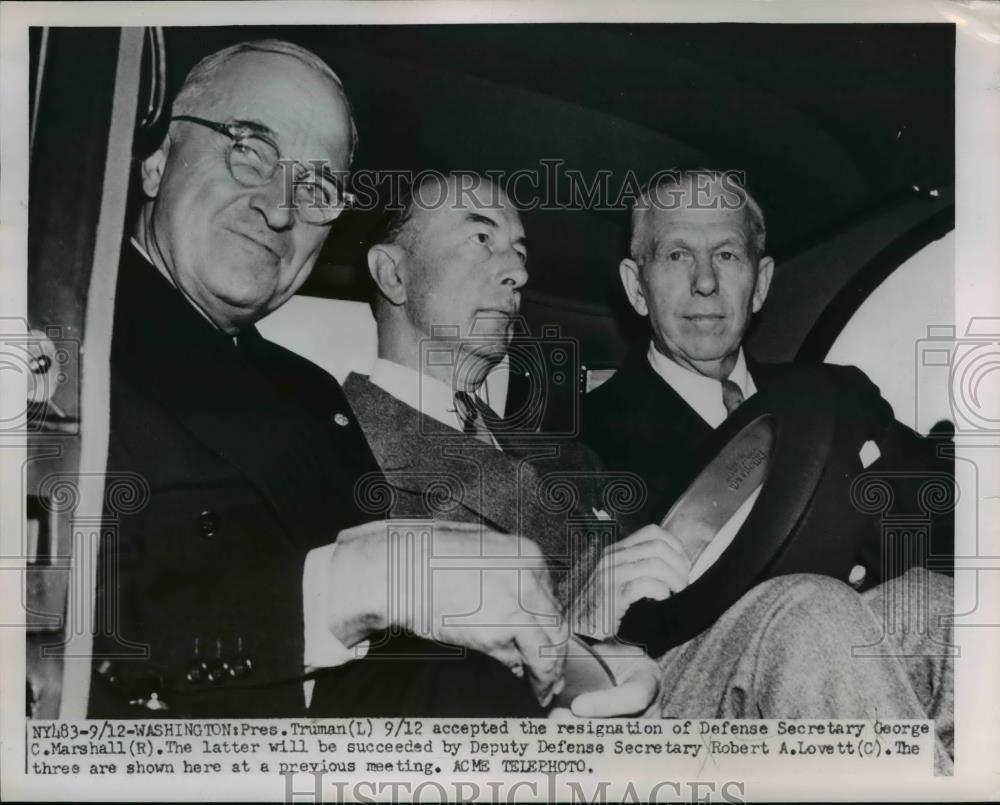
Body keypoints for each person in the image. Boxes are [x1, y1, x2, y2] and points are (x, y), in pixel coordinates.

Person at [345, 172, 954, 769]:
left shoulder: (555, 450)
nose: (519, 271)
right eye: (482, 239)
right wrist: (577, 626)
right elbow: (393, 681)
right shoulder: (335, 446)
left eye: (521, 250)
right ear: (392, 273)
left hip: (673, 681)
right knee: (809, 614)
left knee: (945, 610)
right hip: (587, 724)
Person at [92, 41, 564, 719]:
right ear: (158, 157)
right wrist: (343, 585)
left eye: (316, 186)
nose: (281, 209)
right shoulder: (55, 326)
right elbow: (54, 637)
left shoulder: (311, 397)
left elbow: (398, 657)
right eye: (251, 149)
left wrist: (567, 676)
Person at [581, 170, 954, 587]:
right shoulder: (580, 443)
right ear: (636, 287)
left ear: (760, 284)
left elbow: (959, 520)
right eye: (676, 255)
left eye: (727, 255)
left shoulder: (841, 396)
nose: (704, 282)